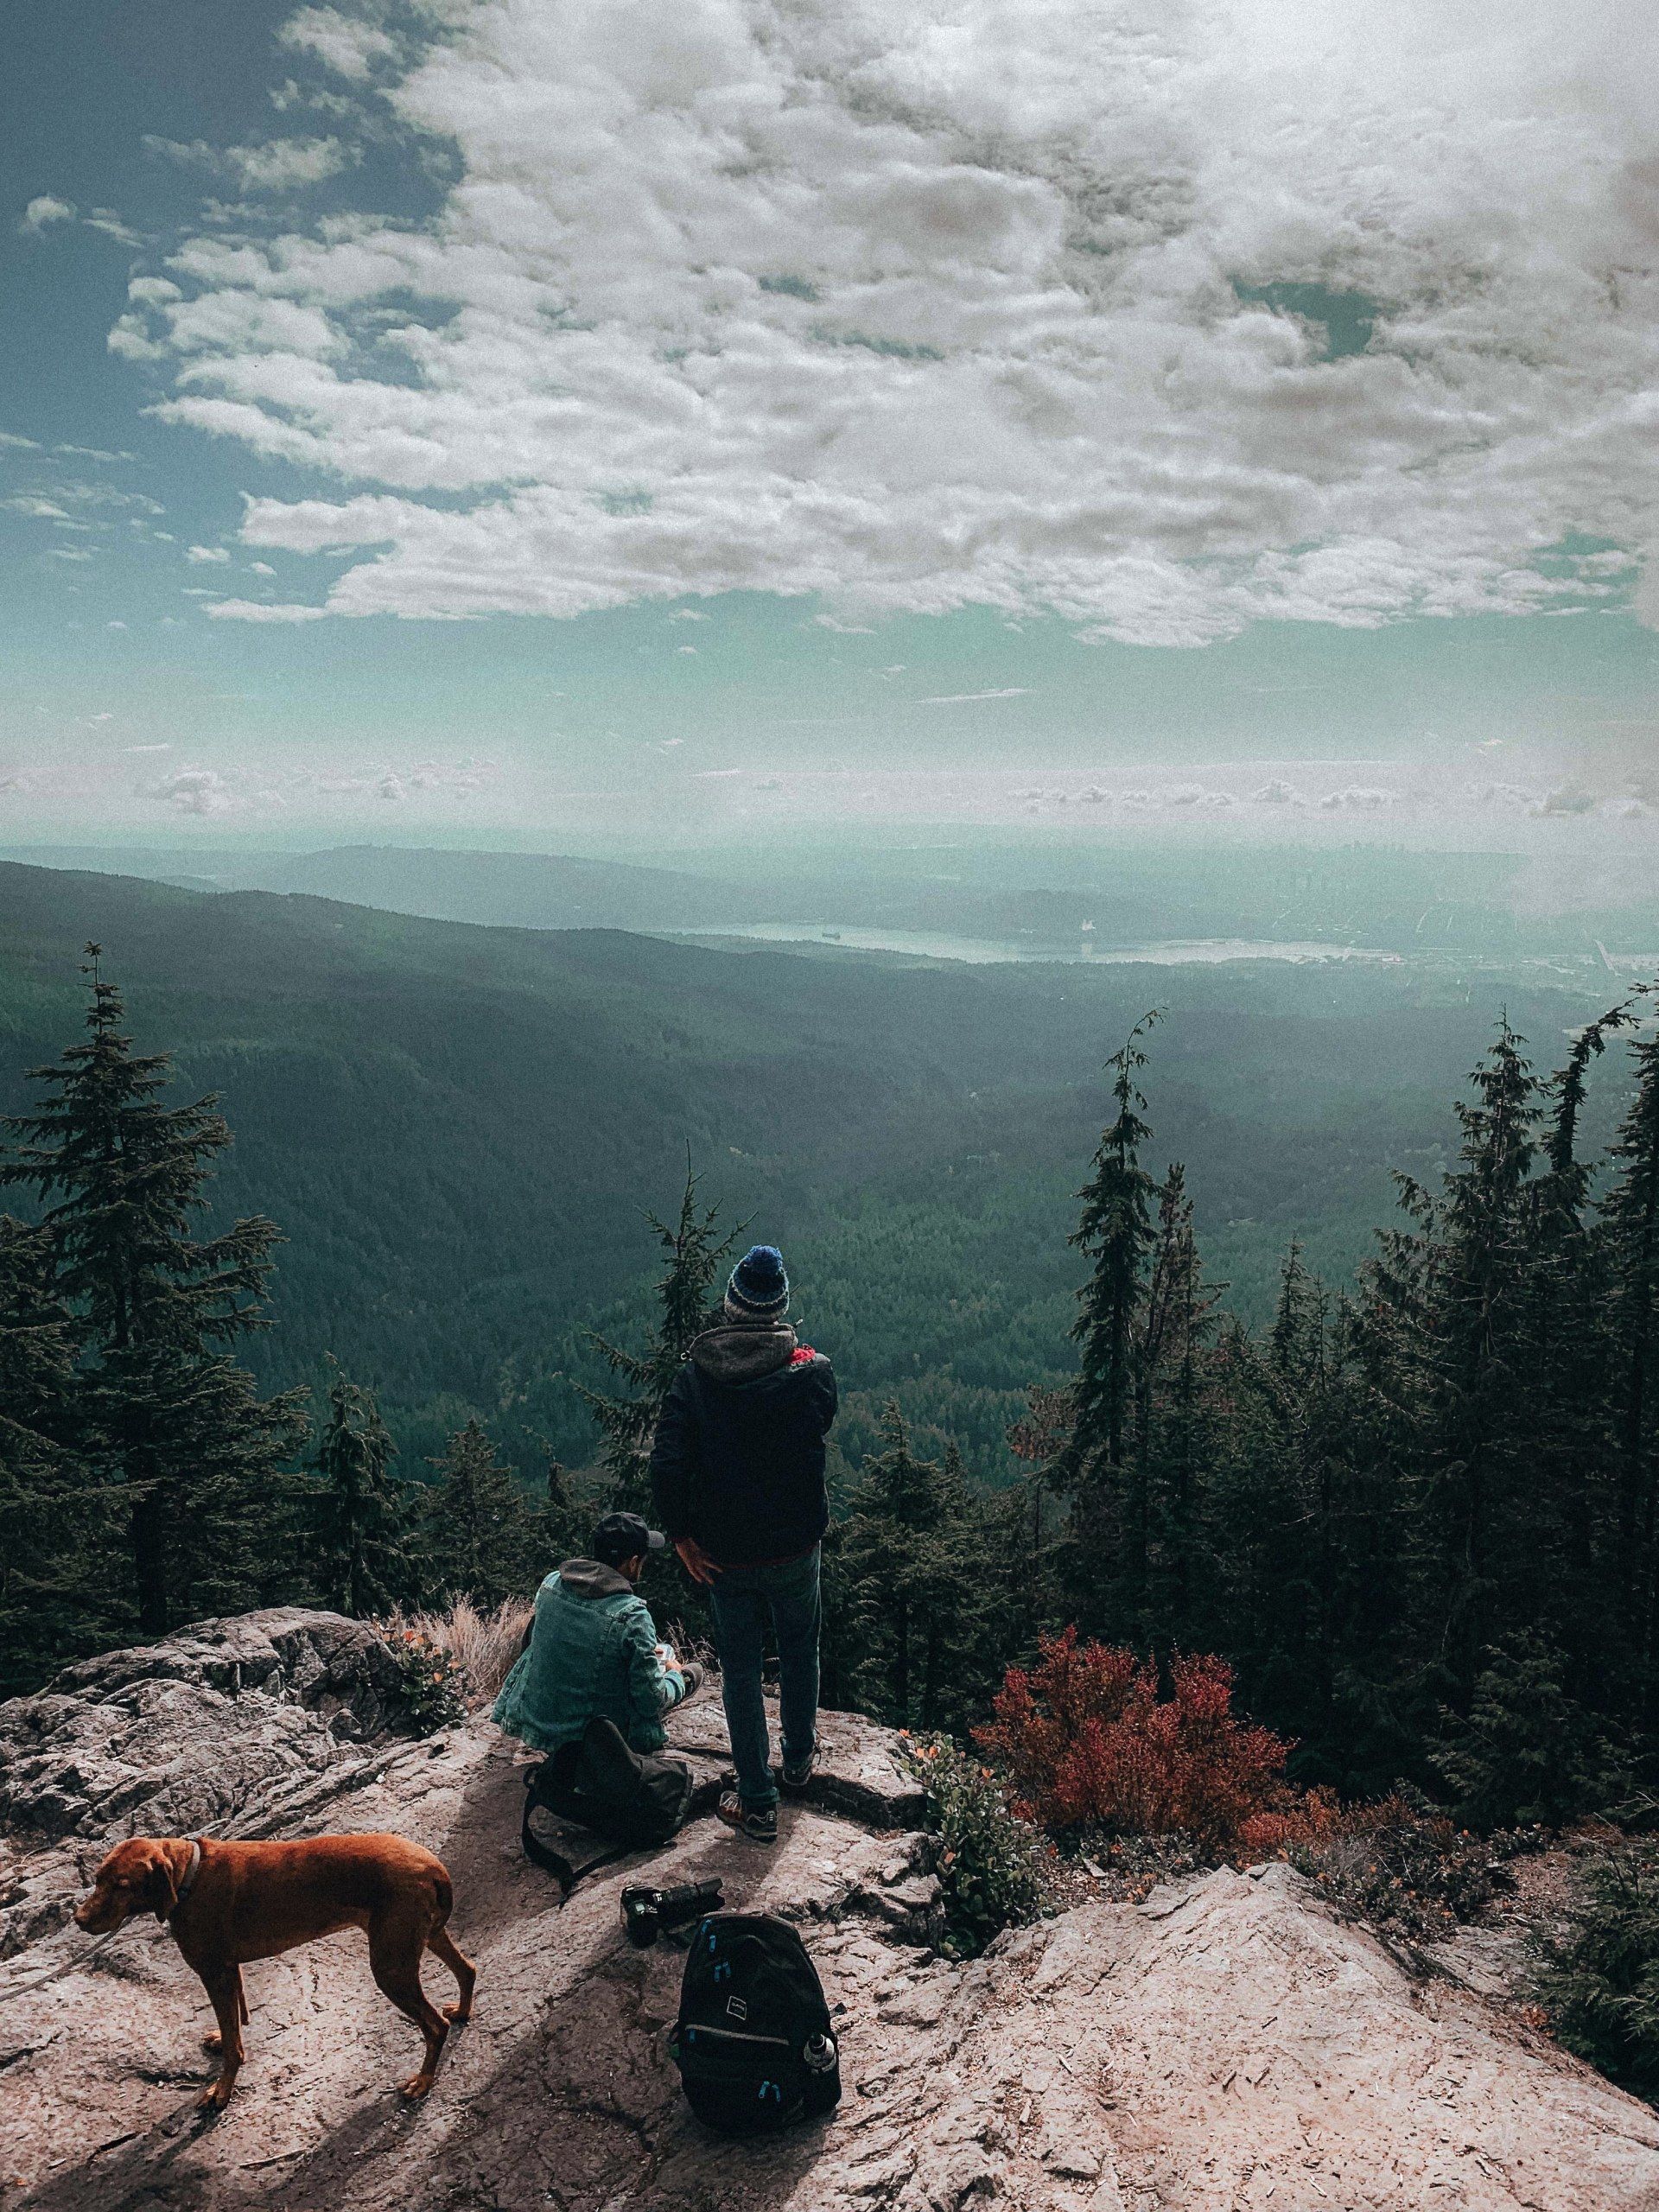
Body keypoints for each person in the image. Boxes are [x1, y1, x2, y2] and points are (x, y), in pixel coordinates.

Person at [649, 1243, 837, 1844]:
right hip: (793, 1547)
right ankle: (800, 1762)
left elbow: (668, 1462)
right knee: (801, 1644)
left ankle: (757, 1804)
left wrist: (680, 1534)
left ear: (731, 1307)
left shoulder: (696, 1379)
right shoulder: (811, 1373)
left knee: (740, 1672)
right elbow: (820, 1421)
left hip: (723, 1554)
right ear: (780, 1309)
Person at [491, 1510, 704, 1756]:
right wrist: (677, 1678)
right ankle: (683, 1678)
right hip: (592, 1739)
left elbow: (538, 1641)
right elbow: (650, 1701)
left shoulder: (551, 1583)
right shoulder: (633, 1616)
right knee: (690, 1672)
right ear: (633, 1562)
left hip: (537, 1722)